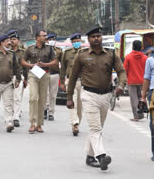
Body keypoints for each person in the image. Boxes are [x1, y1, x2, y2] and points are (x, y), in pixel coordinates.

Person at [66, 26, 127, 171]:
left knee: (98, 128)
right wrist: (69, 97)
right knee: (95, 128)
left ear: (101, 38)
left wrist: (121, 85)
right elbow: (73, 77)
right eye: (93, 37)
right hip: (89, 95)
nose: (96, 39)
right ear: (89, 40)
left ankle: (89, 156)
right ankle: (101, 156)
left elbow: (121, 71)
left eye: (98, 36)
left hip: (105, 95)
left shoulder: (111, 54)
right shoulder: (81, 55)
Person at [21, 30, 57, 134]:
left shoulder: (50, 49)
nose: (45, 37)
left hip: (45, 74)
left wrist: (45, 64)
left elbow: (55, 61)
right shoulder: (30, 48)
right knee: (33, 97)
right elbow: (23, 61)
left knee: (42, 99)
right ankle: (32, 123)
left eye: (45, 35)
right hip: (33, 73)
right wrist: (31, 65)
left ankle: (39, 124)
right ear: (37, 37)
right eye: (43, 35)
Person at [60, 33, 83, 136]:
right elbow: (63, 68)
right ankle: (74, 123)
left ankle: (77, 122)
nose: (76, 43)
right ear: (72, 43)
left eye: (78, 41)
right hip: (70, 81)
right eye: (74, 42)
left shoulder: (85, 53)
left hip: (83, 81)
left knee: (80, 105)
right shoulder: (67, 53)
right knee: (72, 101)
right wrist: (61, 81)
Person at [123, 40, 147, 121]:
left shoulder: (128, 57)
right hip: (143, 81)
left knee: (134, 99)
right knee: (141, 97)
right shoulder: (145, 58)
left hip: (132, 81)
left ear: (133, 46)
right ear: (141, 47)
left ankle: (136, 116)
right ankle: (141, 115)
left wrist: (124, 79)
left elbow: (125, 69)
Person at [8, 30, 28, 127]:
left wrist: (26, 79)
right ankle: (10, 115)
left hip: (18, 77)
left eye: (14, 39)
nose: (12, 41)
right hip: (7, 76)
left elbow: (25, 67)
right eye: (11, 39)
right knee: (9, 97)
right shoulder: (6, 52)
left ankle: (16, 117)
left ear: (18, 41)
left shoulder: (23, 52)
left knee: (17, 97)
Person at [44, 33, 63, 121]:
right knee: (45, 93)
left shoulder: (59, 51)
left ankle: (51, 112)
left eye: (53, 39)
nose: (51, 41)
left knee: (53, 95)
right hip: (45, 73)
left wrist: (62, 77)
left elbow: (63, 64)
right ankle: (44, 109)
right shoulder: (43, 50)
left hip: (55, 74)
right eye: (49, 39)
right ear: (46, 41)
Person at [141, 55, 154, 161]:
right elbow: (147, 78)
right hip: (153, 93)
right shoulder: (150, 60)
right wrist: (143, 97)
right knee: (153, 122)